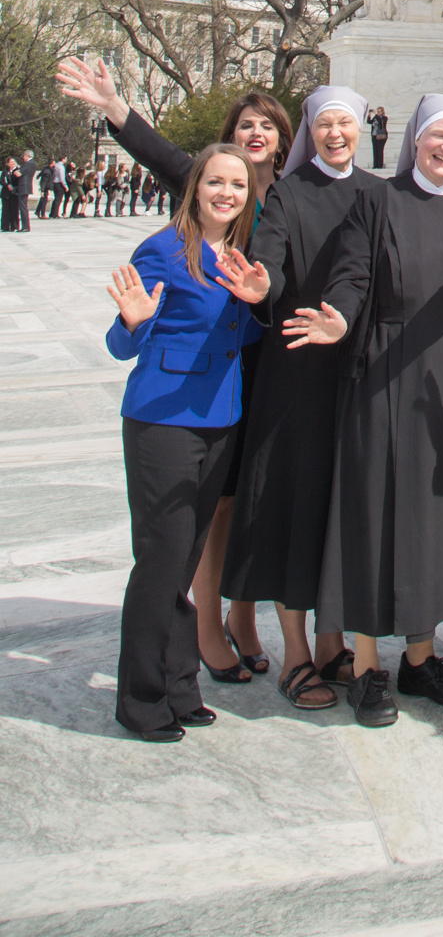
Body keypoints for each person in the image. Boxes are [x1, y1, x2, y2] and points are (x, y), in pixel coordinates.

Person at [56, 55, 286, 683]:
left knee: (245, 502)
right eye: (243, 126)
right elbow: (158, 153)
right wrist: (113, 109)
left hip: (262, 364)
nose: (254, 136)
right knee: (198, 520)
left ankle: (239, 620)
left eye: (266, 126)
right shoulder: (203, 203)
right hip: (192, 386)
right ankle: (203, 632)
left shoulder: (296, 196)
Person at [292, 95, 443, 728]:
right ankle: (366, 666)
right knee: (374, 510)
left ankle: (418, 655)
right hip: (386, 371)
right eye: (437, 136)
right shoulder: (377, 201)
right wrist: (338, 317)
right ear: (413, 139)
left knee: (433, 519)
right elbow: (353, 275)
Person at [211, 87, 374, 710]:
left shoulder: (375, 191)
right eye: (325, 124)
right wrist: (261, 286)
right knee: (292, 508)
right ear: (311, 130)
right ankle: (297, 653)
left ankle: (333, 644)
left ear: (361, 129)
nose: (336, 134)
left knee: (336, 511)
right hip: (299, 370)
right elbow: (270, 259)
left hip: (353, 376)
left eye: (346, 124)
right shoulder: (286, 191)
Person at [105, 140, 262, 740]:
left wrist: (259, 300)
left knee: (186, 560)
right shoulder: (164, 250)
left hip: (219, 420)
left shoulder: (241, 257)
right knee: (161, 561)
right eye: (216, 183)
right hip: (162, 419)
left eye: (238, 186)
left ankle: (179, 685)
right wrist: (132, 321)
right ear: (195, 188)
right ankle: (141, 700)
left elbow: (241, 334)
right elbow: (122, 344)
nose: (226, 194)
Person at [16, 150, 36, 231]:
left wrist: (17, 169)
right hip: (25, 187)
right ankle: (25, 226)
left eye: (24, 156)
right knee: (23, 206)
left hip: (24, 187)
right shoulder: (31, 164)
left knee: (23, 207)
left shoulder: (29, 164)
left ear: (27, 155)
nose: (23, 157)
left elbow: (18, 173)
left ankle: (25, 226)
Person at [365, 104, 389, 170]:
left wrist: (376, 114)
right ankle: (375, 165)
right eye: (377, 111)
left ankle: (380, 165)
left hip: (381, 136)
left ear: (382, 112)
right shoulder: (376, 117)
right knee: (375, 150)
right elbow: (369, 122)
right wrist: (369, 114)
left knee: (380, 150)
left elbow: (381, 123)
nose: (378, 113)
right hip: (374, 135)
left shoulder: (384, 118)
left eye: (379, 111)